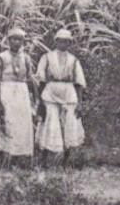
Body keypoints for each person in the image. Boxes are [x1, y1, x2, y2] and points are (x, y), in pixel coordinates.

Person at [35, 29, 87, 168]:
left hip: (68, 93)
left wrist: (80, 103)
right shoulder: (47, 57)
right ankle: (44, 160)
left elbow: (79, 82)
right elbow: (40, 80)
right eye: (60, 41)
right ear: (56, 41)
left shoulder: (73, 60)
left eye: (66, 41)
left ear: (69, 43)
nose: (63, 44)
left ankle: (66, 160)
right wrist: (40, 101)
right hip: (50, 93)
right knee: (50, 124)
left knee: (69, 124)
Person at [0, 28, 37, 169]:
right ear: (9, 41)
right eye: (13, 39)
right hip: (7, 91)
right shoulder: (1, 57)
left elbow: (30, 79)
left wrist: (35, 98)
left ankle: (19, 160)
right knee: (8, 123)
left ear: (23, 42)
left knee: (22, 125)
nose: (16, 42)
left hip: (21, 93)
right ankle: (5, 160)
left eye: (19, 39)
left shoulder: (26, 58)